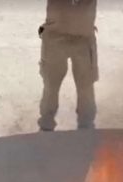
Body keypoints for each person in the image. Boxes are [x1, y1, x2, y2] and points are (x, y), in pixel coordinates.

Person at [37, 0, 98, 131]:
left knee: (85, 86)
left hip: (83, 38)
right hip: (55, 36)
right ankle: (46, 127)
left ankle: (86, 128)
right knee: (51, 85)